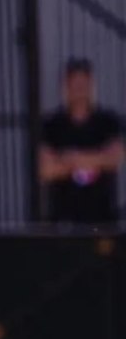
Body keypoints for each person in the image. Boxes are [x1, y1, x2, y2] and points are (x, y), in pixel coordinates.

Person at [39, 58, 123, 225]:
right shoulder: (51, 125)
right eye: (74, 84)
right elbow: (46, 170)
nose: (79, 90)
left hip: (102, 219)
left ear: (91, 85)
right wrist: (97, 159)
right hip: (63, 220)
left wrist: (70, 158)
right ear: (65, 87)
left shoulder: (108, 122)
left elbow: (115, 159)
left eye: (83, 84)